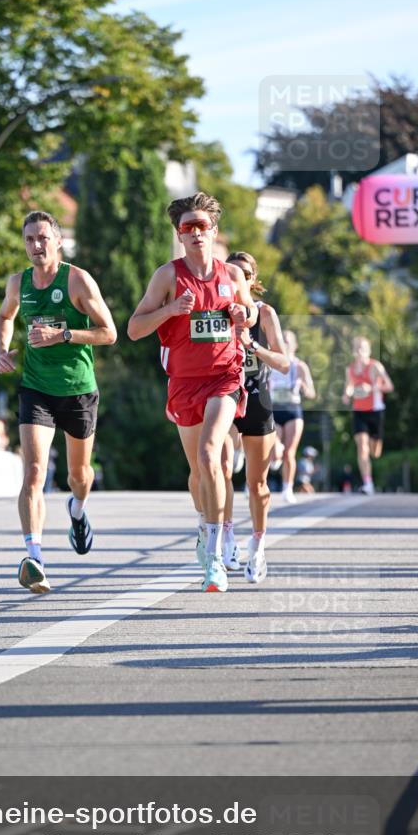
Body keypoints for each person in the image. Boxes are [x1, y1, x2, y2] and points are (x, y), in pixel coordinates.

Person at [127, 191, 257, 593]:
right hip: (184, 383)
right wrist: (170, 310)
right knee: (198, 471)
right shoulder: (167, 276)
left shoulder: (231, 276)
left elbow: (250, 313)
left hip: (225, 376)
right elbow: (133, 329)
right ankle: (206, 526)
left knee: (211, 454)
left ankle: (216, 558)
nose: (197, 233)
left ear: (215, 232)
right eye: (189, 227)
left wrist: (242, 314)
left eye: (204, 226)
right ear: (179, 235)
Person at [0, 210, 117, 594]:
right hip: (36, 389)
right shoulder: (19, 283)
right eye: (29, 239)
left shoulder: (78, 280)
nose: (36, 246)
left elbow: (109, 333)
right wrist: (3, 351)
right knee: (33, 471)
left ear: (57, 241)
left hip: (79, 389)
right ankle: (34, 557)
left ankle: (77, 511)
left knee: (78, 478)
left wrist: (62, 336)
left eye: (43, 238)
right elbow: (5, 316)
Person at [220, 251, 290, 584]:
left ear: (252, 278)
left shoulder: (264, 314)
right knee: (219, 467)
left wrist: (254, 348)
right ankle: (227, 537)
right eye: (230, 271)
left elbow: (285, 363)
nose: (237, 277)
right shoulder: (218, 309)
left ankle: (258, 545)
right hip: (225, 397)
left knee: (256, 483)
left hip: (258, 400)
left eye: (244, 273)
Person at [342, 335, 394, 495]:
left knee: (375, 452)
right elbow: (348, 388)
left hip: (376, 411)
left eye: (362, 348)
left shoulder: (375, 367)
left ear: (368, 351)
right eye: (356, 347)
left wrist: (370, 389)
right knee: (362, 448)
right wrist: (347, 395)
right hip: (359, 412)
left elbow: (389, 386)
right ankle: (368, 484)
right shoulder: (350, 369)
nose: (359, 351)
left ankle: (376, 445)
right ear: (353, 350)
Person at [269, 330, 315, 504]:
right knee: (274, 448)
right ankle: (275, 456)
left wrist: (304, 386)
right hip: (274, 409)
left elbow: (312, 392)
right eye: (283, 341)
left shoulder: (299, 366)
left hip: (293, 410)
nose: (285, 344)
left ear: (295, 345)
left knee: (290, 452)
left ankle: (287, 488)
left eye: (288, 341)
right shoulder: (272, 363)